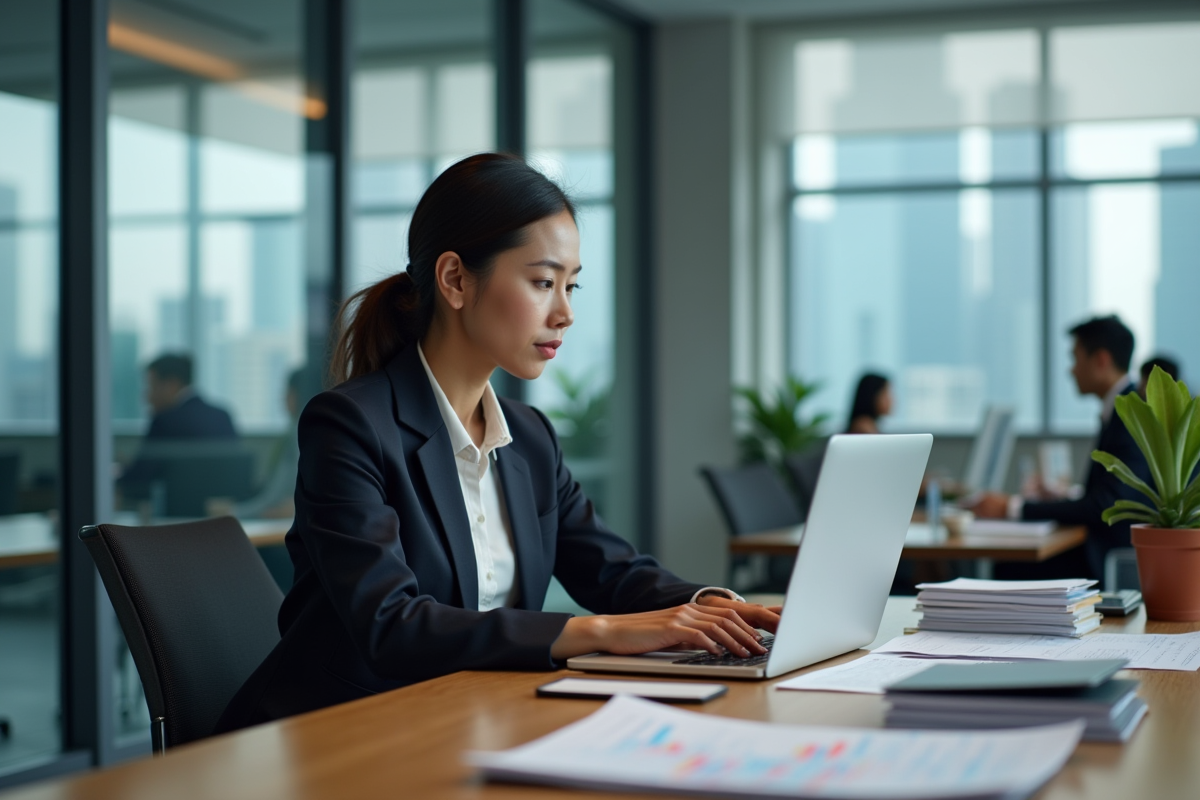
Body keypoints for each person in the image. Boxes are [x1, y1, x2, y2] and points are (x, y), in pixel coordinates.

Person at [217, 154, 781, 731]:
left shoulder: (529, 437)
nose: (564, 313)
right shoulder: (350, 424)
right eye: (543, 282)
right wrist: (601, 631)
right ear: (455, 280)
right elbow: (390, 624)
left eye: (571, 286)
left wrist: (719, 608)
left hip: (470, 720)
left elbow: (614, 572)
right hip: (344, 733)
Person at [968, 315, 1153, 579]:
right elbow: (1108, 494)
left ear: (1101, 360)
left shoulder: (1130, 414)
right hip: (1103, 549)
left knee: (1008, 567)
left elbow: (1106, 504)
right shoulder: (1121, 408)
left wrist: (1013, 507)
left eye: (1075, 359)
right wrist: (1062, 497)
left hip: (1106, 558)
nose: (1071, 370)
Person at [116, 353, 239, 503]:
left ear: (171, 385)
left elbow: (137, 480)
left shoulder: (164, 420)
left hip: (173, 512)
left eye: (151, 387)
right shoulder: (222, 415)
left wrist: (120, 474)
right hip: (220, 511)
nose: (147, 397)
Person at [231, 366, 313, 520]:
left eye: (287, 392)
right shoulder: (311, 428)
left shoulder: (300, 431)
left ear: (296, 395)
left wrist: (233, 512)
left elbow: (273, 498)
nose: (283, 398)